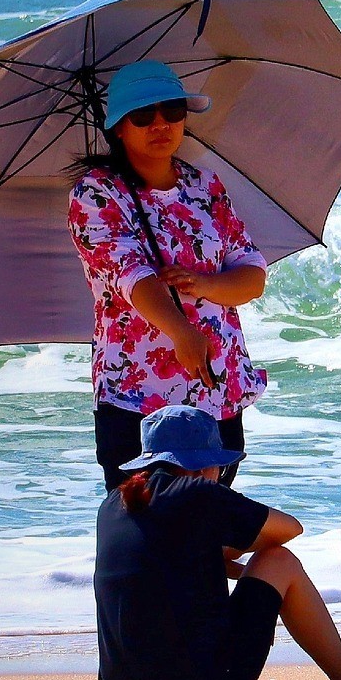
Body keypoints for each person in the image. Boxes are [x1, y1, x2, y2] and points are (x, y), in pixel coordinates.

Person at [96, 405, 341, 680]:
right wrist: (229, 549)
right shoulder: (198, 493)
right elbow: (290, 528)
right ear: (202, 465)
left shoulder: (113, 504)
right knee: (278, 560)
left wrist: (210, 552)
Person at [68, 60, 268, 491]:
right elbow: (130, 276)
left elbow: (252, 273)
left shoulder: (205, 185)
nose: (160, 124)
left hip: (215, 384)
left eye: (172, 111)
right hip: (137, 394)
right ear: (119, 127)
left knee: (210, 528)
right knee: (145, 530)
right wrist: (181, 331)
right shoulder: (96, 193)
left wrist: (204, 285)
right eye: (143, 115)